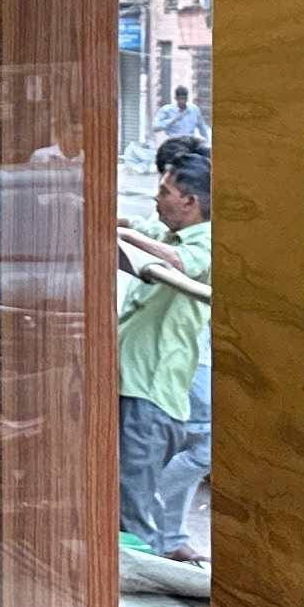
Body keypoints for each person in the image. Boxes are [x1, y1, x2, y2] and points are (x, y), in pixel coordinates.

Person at [118, 147, 210, 558]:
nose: (156, 199)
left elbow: (182, 262)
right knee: (119, 503)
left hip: (152, 395)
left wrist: (124, 237)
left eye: (164, 192)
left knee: (133, 516)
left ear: (190, 202)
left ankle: (146, 570)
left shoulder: (207, 242)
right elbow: (136, 224)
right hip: (130, 384)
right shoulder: (165, 232)